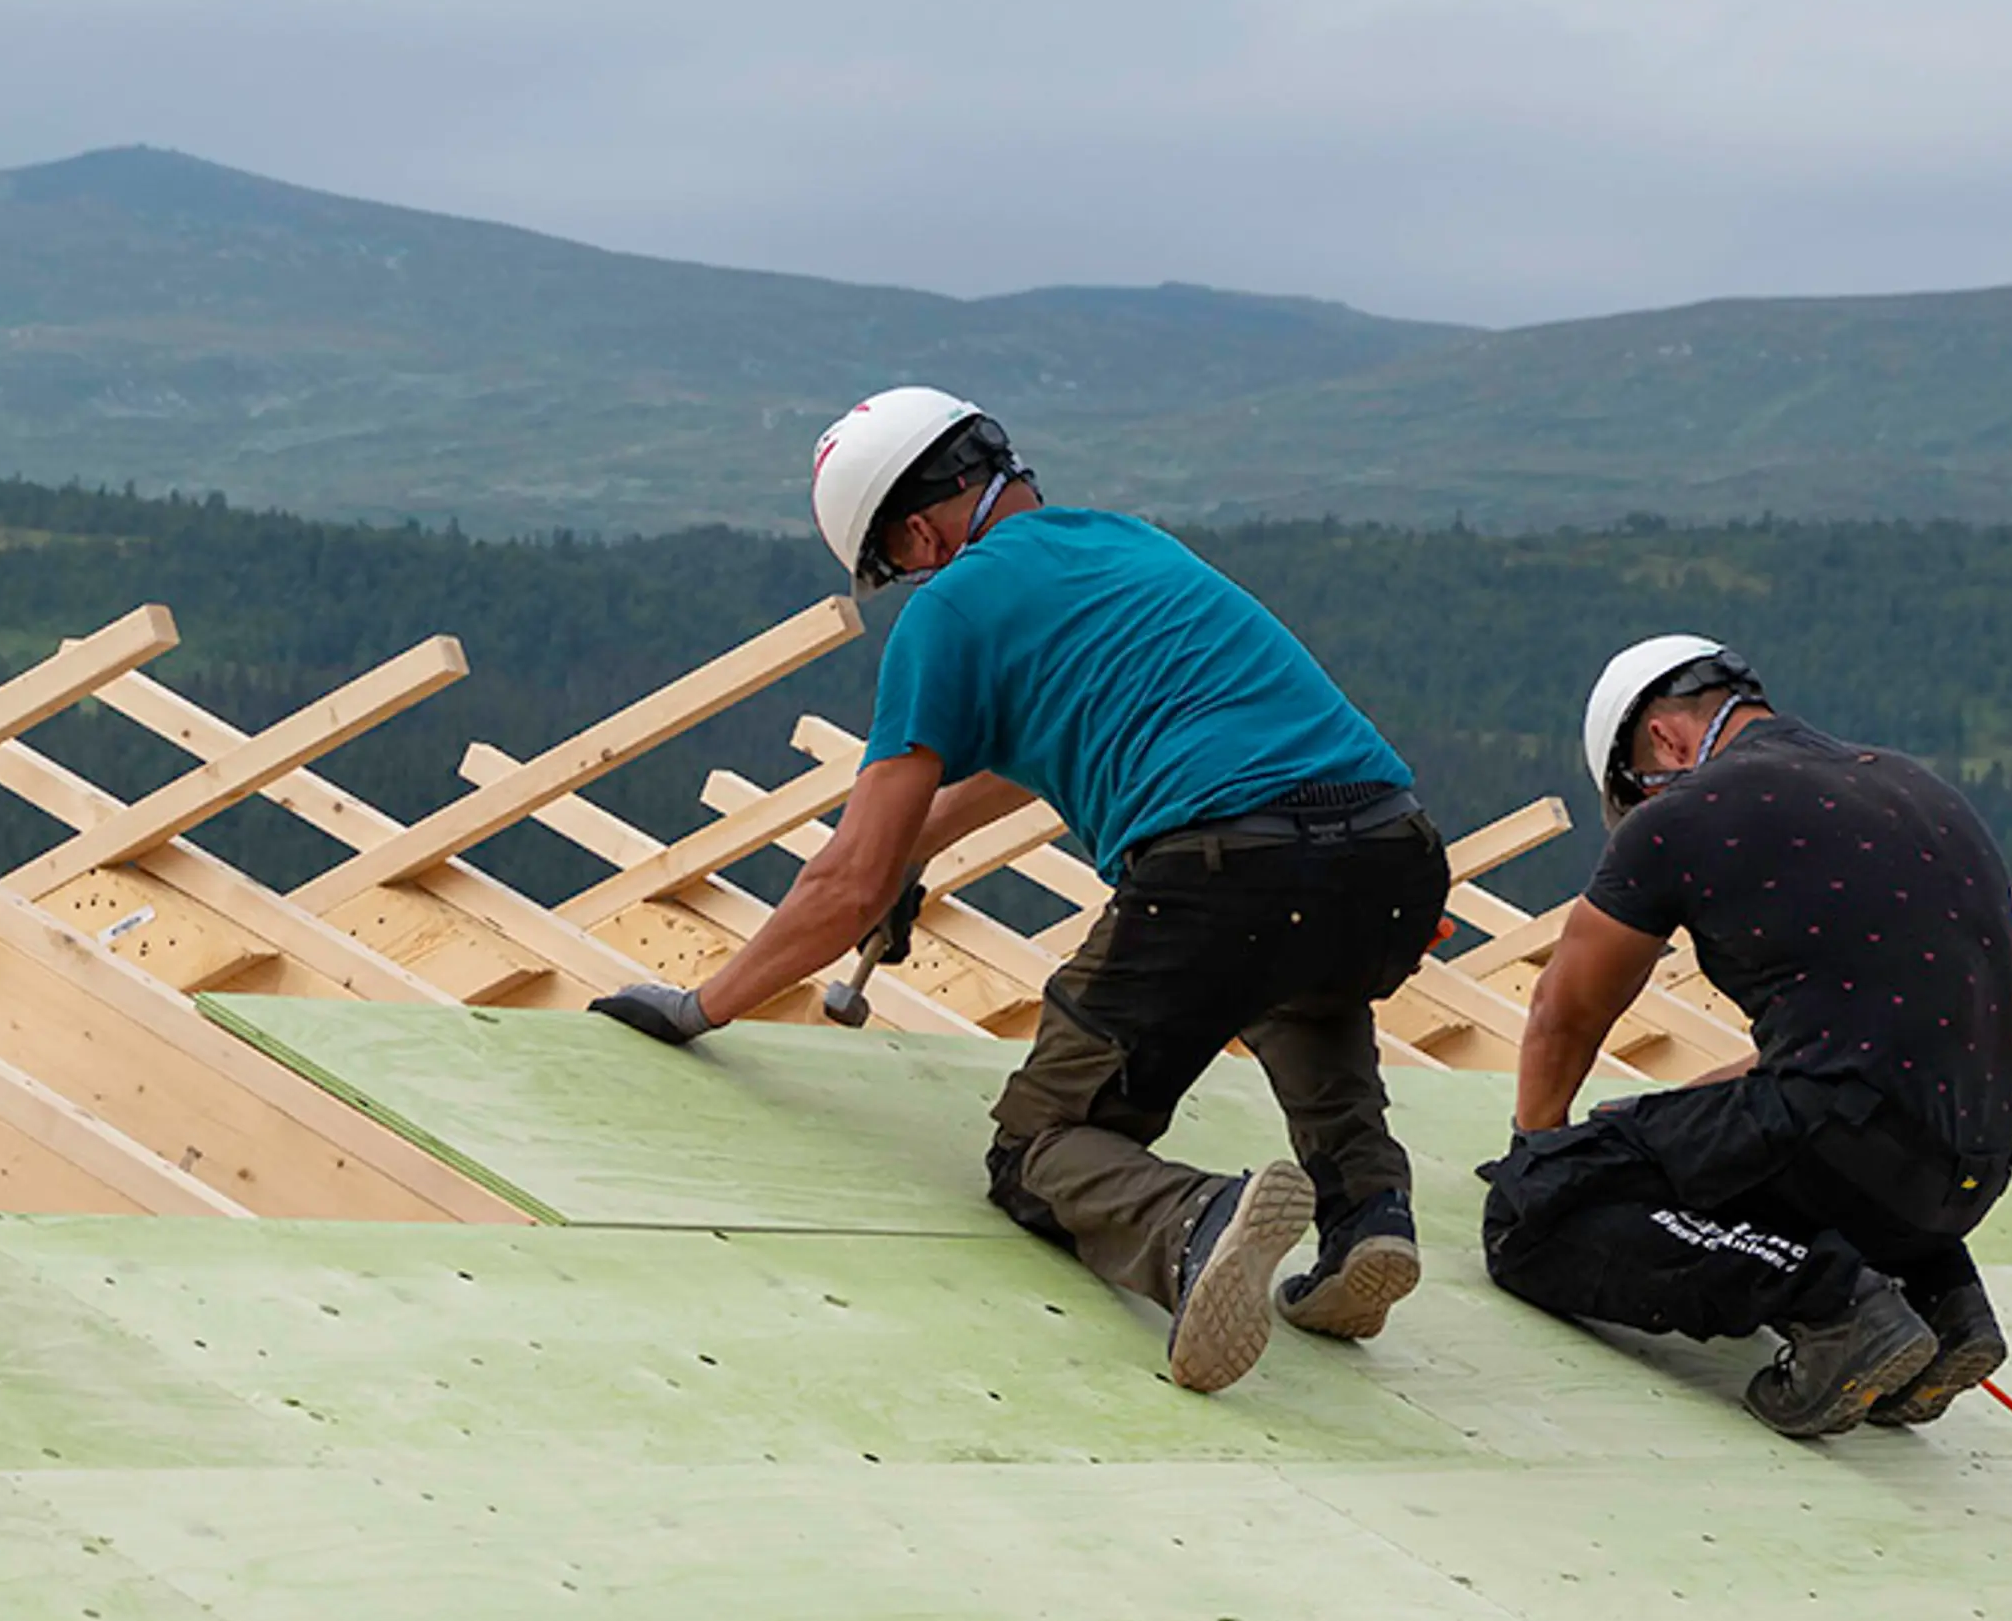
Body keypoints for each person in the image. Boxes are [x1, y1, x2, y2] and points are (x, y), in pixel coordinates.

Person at [594, 387, 1447, 1394]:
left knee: (1038, 1148)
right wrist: (919, 849)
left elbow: (845, 881)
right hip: (1393, 855)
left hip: (1227, 877)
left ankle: (1191, 1224)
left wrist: (703, 1006)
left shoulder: (948, 611)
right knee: (1298, 977)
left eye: (897, 564)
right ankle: (1365, 1220)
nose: (910, 579)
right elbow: (1029, 750)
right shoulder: (1131, 547)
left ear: (917, 529)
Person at [1479, 635, 2012, 1437]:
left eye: (1638, 789)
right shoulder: (1916, 786)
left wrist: (1541, 1154)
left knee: (1532, 1217)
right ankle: (1944, 1304)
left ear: (1664, 739)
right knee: (1739, 1135)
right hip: (1970, 1174)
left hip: (1848, 1144)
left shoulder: (1688, 813)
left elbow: (1565, 1010)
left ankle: (1837, 1308)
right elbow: (1866, 1039)